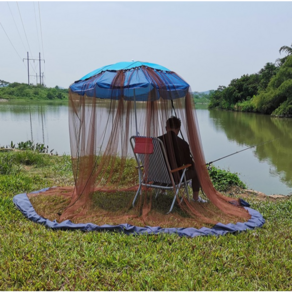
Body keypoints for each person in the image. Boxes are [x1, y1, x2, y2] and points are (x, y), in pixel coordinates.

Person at [158, 116, 207, 202]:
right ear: (179, 129)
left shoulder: (157, 141)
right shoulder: (183, 144)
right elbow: (188, 163)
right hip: (174, 178)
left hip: (158, 177)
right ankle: (195, 198)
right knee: (197, 169)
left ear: (166, 128)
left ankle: (162, 191)